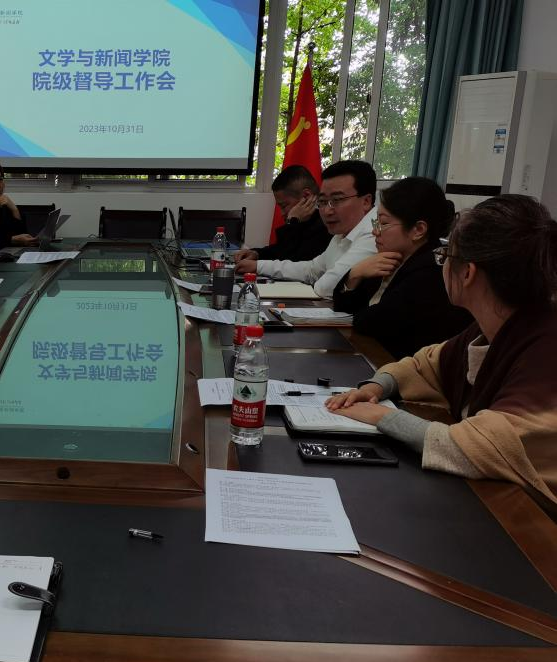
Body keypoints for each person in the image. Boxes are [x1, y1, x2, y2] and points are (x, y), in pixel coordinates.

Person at [326, 194, 557, 513]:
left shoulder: (546, 348)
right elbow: (427, 364)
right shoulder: (495, 326)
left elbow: (482, 447)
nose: (442, 264)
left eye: (446, 255)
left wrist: (383, 417)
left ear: (468, 273)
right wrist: (378, 386)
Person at [331, 177, 472, 359]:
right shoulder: (393, 257)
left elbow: (369, 323)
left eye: (384, 223)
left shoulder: (430, 271)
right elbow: (342, 305)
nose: (375, 231)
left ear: (418, 230)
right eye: (376, 223)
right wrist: (355, 274)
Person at [236, 159, 378, 299]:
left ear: (366, 201)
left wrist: (292, 223)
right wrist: (258, 266)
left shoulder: (374, 233)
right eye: (322, 201)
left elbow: (326, 287)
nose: (327, 211)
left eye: (337, 200)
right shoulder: (343, 231)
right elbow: (311, 270)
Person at [233, 165, 331, 266]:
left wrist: (292, 222)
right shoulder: (303, 222)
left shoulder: (326, 225)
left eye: (284, 206)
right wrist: (257, 254)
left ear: (306, 196)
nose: (282, 213)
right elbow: (280, 249)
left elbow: (289, 260)